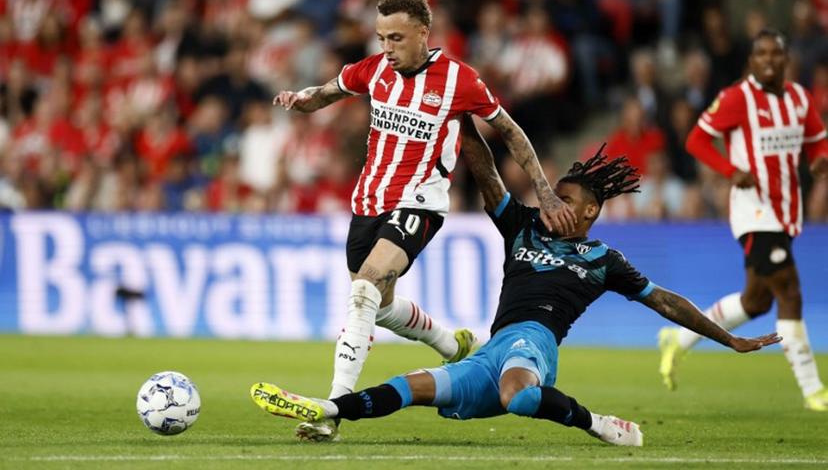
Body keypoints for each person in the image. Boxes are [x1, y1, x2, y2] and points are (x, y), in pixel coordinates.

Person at [249, 123, 779, 446]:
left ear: (590, 210)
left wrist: (728, 337)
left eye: (563, 198)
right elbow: (486, 174)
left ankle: (597, 424)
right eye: (548, 193)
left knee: (519, 396)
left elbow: (664, 300)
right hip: (491, 348)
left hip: (534, 345)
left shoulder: (603, 258)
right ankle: (328, 410)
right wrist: (460, 118)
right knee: (413, 386)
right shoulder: (521, 224)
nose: (550, 202)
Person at [273, 0, 577, 441]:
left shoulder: (460, 81)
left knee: (363, 289)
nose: (387, 47)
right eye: (380, 38)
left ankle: (331, 410)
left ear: (422, 33)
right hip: (368, 202)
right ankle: (450, 343)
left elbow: (510, 132)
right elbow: (328, 92)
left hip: (420, 202)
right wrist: (301, 99)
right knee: (380, 306)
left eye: (396, 38)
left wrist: (545, 193)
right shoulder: (374, 70)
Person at [658, 29, 828, 411]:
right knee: (789, 290)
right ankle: (813, 389)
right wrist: (730, 169)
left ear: (786, 60)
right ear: (752, 62)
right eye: (761, 54)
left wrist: (819, 158)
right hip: (754, 210)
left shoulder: (800, 98)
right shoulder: (737, 98)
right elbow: (696, 140)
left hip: (786, 208)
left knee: (756, 300)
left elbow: (817, 138)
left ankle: (678, 338)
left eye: (776, 54)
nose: (769, 60)